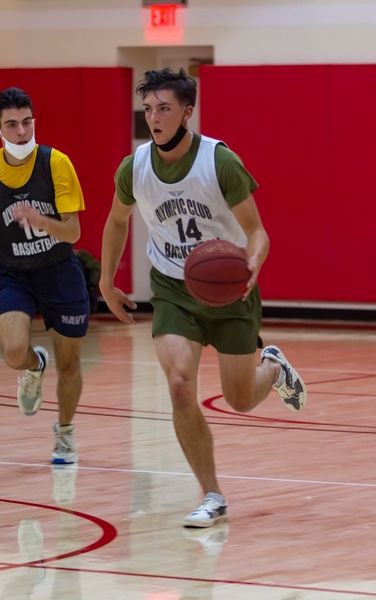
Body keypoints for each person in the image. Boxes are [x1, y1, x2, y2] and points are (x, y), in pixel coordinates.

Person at [98, 68, 306, 528]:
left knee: (240, 399)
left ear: (187, 112)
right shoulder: (134, 167)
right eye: (148, 109)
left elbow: (257, 232)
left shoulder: (220, 162)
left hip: (230, 293)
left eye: (164, 108)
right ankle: (211, 494)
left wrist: (252, 263)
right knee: (178, 385)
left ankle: (271, 367)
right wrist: (106, 281)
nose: (154, 117)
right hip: (174, 289)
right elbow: (116, 222)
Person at [0, 87, 88, 464]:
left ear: (34, 122)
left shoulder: (55, 163)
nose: (21, 131)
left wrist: (39, 219)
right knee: (14, 351)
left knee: (70, 364)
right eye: (11, 125)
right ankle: (33, 366)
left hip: (58, 271)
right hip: (12, 272)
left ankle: (64, 434)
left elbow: (73, 231)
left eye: (26, 122)